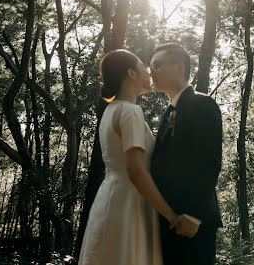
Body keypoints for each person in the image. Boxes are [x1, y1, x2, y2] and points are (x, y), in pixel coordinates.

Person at [78, 49, 197, 265]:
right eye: (144, 66)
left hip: (109, 197)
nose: (150, 72)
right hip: (130, 203)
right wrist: (171, 216)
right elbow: (135, 171)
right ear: (131, 73)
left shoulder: (111, 110)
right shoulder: (130, 112)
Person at [150, 43, 223, 265]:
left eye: (157, 65)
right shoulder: (169, 111)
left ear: (179, 67)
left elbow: (208, 162)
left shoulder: (202, 104)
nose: (151, 71)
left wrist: (193, 215)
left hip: (193, 222)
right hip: (169, 220)